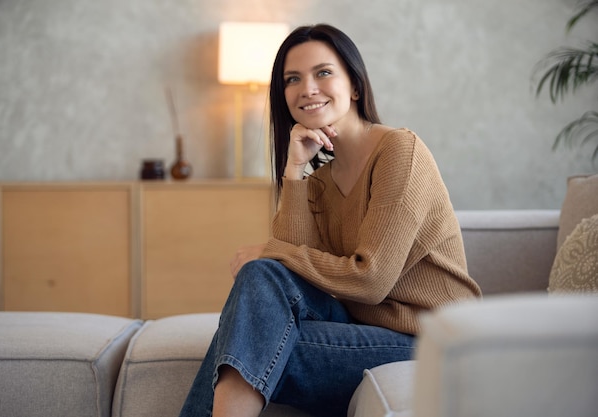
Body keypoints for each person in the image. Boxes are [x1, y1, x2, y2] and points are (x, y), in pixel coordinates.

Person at [179, 23, 481, 417]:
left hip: (431, 339)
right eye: (292, 79)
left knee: (247, 337)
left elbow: (370, 280)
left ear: (354, 85)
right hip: (367, 329)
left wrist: (270, 250)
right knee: (259, 290)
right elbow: (285, 271)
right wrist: (294, 171)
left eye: (323, 72)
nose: (307, 88)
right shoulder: (318, 182)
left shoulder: (399, 152)